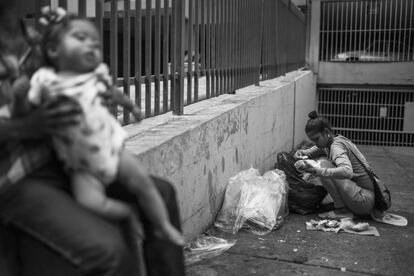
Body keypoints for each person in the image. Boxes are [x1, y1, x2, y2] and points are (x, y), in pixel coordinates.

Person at [0, 1, 185, 275]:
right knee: (108, 252)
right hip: (14, 178)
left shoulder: (36, 37)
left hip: (64, 161)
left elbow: (73, 77)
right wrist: (26, 126)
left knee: (162, 193)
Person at [294, 111, 375, 219]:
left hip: (363, 200)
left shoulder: (336, 147)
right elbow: (318, 147)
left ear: (326, 132)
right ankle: (342, 208)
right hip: (363, 197)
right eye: (312, 140)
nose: (315, 143)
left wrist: (317, 171)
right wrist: (304, 152)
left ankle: (342, 210)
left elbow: (347, 171)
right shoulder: (334, 140)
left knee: (322, 165)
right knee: (323, 164)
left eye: (316, 139)